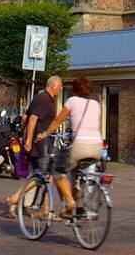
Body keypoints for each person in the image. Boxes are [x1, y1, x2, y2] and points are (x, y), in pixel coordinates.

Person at [6, 76, 67, 218]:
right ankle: (15, 199)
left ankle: (41, 209)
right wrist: (28, 140)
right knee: (44, 177)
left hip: (42, 144)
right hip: (41, 146)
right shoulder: (44, 99)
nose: (61, 88)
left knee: (43, 177)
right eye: (60, 85)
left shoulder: (43, 98)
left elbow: (26, 118)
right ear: (53, 85)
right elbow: (32, 118)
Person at [59, 77, 105, 218]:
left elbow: (58, 120)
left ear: (75, 89)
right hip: (97, 147)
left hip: (80, 145)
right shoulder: (97, 104)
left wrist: (45, 133)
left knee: (59, 171)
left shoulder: (71, 101)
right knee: (80, 172)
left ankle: (71, 202)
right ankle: (81, 204)